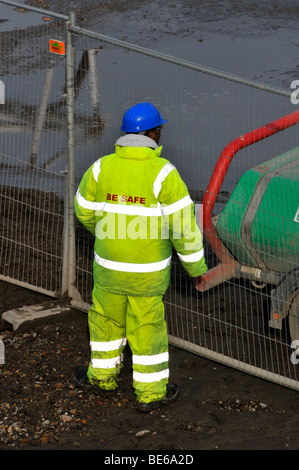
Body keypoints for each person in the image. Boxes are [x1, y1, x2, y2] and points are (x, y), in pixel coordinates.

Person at [72, 102, 207, 412]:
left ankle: (101, 379)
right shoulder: (164, 174)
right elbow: (184, 228)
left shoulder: (101, 167)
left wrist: (109, 234)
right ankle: (150, 394)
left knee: (105, 322)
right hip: (148, 273)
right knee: (147, 328)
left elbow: (83, 211)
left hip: (108, 269)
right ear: (153, 133)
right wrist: (195, 267)